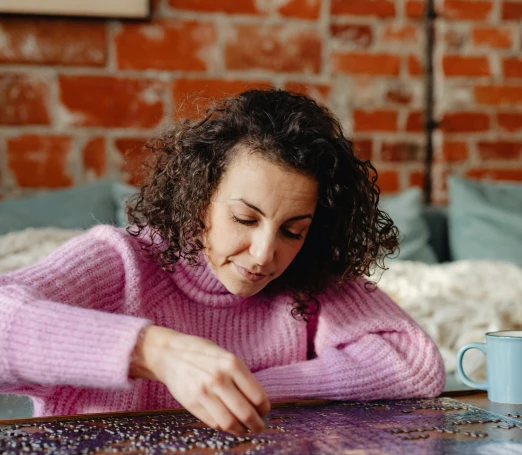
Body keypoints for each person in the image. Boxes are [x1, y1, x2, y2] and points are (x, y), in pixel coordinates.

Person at [0, 89, 445, 434]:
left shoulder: (305, 274)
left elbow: (415, 363)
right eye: (244, 218)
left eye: (293, 229)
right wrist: (155, 352)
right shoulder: (120, 261)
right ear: (200, 200)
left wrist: (250, 392)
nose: (264, 254)